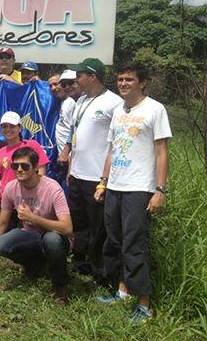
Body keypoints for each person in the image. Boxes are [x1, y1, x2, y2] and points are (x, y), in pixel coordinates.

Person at [94, 61, 171, 324]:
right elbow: (112, 150)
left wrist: (160, 190)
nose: (123, 84)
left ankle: (144, 305)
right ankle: (123, 291)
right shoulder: (118, 111)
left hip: (139, 188)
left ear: (142, 82)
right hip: (115, 185)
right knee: (114, 241)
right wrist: (103, 182)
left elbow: (162, 151)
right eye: (120, 80)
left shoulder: (155, 110)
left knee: (134, 245)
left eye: (129, 80)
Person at [0, 147, 73, 304]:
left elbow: (67, 228)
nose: (19, 170)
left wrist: (33, 218)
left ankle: (60, 286)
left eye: (25, 166)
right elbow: (2, 223)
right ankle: (36, 265)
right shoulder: (11, 187)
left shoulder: (52, 188)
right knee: (2, 244)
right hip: (31, 235)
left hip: (55, 236)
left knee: (52, 241)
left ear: (36, 167)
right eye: (15, 166)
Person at [66, 57, 122, 279]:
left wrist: (105, 179)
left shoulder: (114, 103)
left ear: (93, 76)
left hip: (97, 176)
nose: (75, 80)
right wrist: (70, 167)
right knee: (80, 222)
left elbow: (117, 142)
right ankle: (80, 263)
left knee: (99, 227)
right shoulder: (80, 101)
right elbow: (77, 135)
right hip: (77, 173)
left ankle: (100, 272)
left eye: (79, 75)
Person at [0, 111, 49, 196]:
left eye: (12, 126)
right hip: (7, 196)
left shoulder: (32, 144)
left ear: (20, 128)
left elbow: (41, 172)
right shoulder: (1, 151)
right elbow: (4, 179)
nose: (8, 129)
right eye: (4, 126)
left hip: (28, 195)